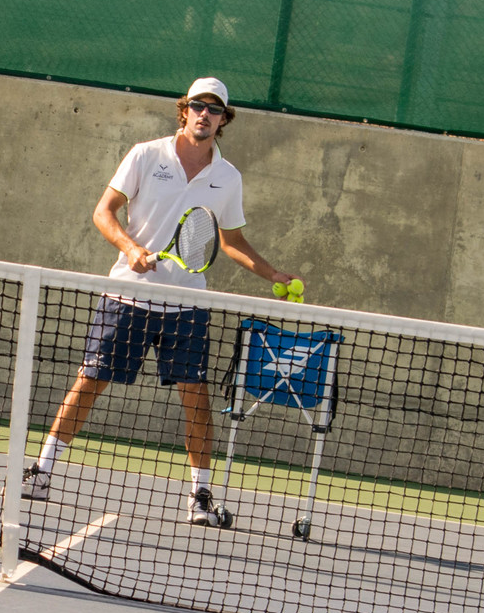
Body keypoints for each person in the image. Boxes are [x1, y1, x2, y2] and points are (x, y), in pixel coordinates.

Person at [21, 77, 294, 525]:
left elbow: (232, 241)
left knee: (196, 398)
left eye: (215, 109)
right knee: (90, 380)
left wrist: (272, 273)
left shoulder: (227, 178)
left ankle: (200, 496)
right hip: (128, 294)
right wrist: (130, 249)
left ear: (224, 120)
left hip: (187, 307)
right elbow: (103, 211)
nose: (205, 114)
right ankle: (42, 471)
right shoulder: (146, 155)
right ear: (183, 110)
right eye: (198, 106)